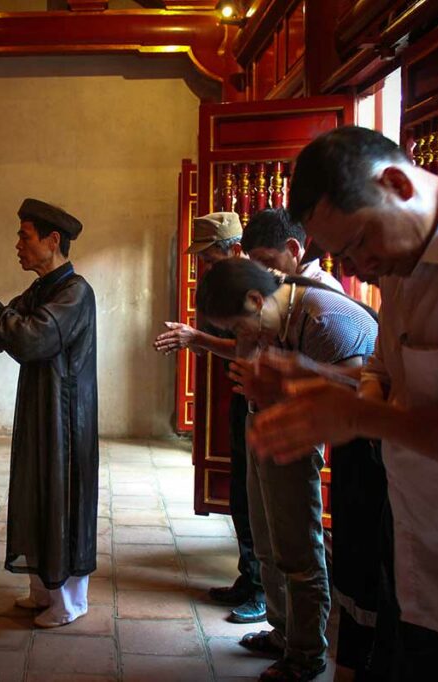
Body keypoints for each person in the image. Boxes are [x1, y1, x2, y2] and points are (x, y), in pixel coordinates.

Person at [249, 126, 438, 680]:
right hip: (421, 566)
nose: (355, 268)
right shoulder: (403, 266)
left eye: (359, 243)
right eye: (341, 254)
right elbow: (383, 378)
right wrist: (327, 383)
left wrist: (358, 414)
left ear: (395, 183)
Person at [197, 257, 378, 682]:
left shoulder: (327, 319)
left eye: (240, 327)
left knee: (298, 550)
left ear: (257, 300)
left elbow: (361, 392)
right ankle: (282, 633)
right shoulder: (269, 313)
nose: (241, 338)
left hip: (308, 435)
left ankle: (306, 653)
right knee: (267, 543)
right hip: (266, 419)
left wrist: (294, 381)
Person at [0, 198, 99, 629]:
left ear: (53, 241)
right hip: (41, 406)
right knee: (37, 490)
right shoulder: (41, 289)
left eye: (25, 235)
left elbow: (34, 337)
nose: (18, 244)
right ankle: (43, 589)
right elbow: (5, 331)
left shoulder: (76, 292)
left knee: (61, 494)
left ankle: (69, 601)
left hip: (67, 417)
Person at [153, 211, 266, 624]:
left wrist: (196, 338)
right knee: (240, 494)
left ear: (234, 249)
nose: (204, 268)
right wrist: (197, 338)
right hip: (240, 398)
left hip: (265, 402)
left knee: (258, 500)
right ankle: (248, 577)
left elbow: (245, 349)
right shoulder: (229, 286)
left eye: (210, 260)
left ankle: (263, 591)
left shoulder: (259, 288)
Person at [241, 207, 344, 292]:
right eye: (255, 264)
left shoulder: (323, 290)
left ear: (293, 248)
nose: (261, 271)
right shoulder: (273, 286)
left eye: (266, 260)